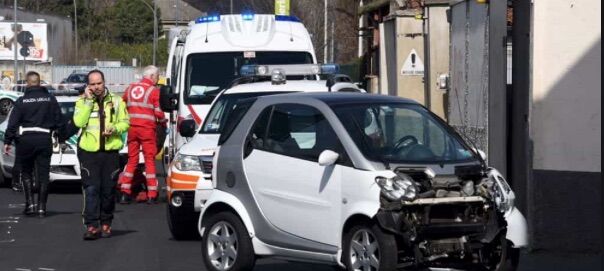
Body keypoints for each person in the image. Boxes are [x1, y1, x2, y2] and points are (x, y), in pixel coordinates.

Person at [74, 70, 129, 240]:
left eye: (99, 83)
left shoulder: (117, 101)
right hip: (89, 153)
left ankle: (106, 223)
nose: (96, 87)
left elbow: (126, 122)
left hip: (110, 152)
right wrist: (88, 102)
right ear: (88, 86)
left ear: (104, 82)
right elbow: (79, 122)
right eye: (93, 84)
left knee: (108, 191)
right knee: (91, 189)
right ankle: (92, 225)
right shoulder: (81, 101)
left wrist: (115, 129)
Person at [3, 71, 62, 217]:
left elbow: (12, 123)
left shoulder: (21, 101)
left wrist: (8, 141)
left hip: (26, 140)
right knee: (43, 175)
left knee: (26, 172)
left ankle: (30, 205)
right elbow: (59, 120)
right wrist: (61, 137)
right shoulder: (50, 99)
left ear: (28, 84)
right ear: (40, 82)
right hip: (44, 139)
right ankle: (42, 207)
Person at [119, 65, 167, 205]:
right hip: (147, 130)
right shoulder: (154, 91)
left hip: (132, 129)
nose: (157, 80)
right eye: (157, 77)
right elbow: (158, 112)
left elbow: (122, 105)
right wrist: (163, 123)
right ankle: (152, 194)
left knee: (132, 160)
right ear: (152, 76)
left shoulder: (131, 88)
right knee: (149, 161)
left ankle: (125, 192)